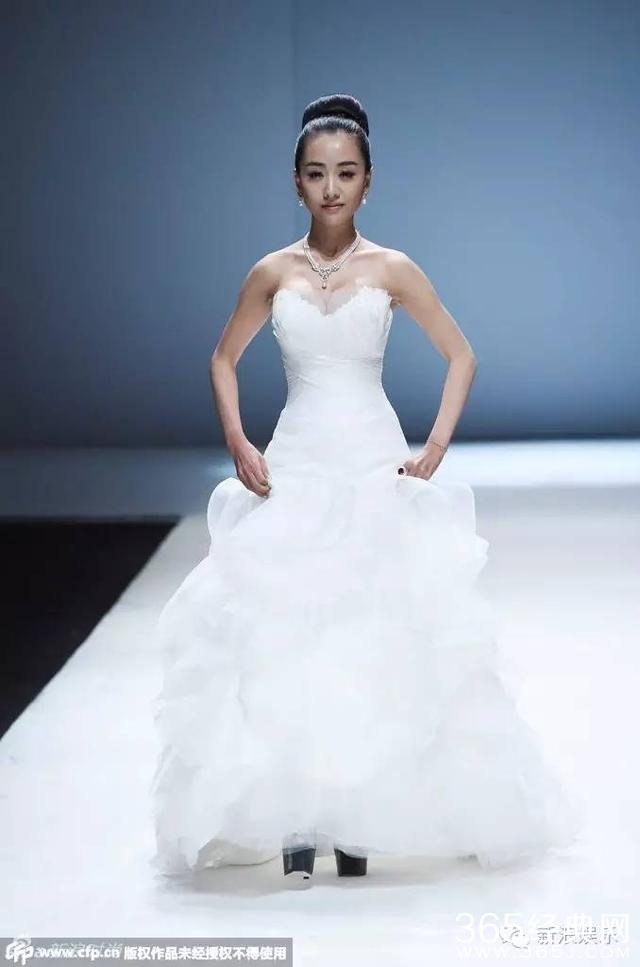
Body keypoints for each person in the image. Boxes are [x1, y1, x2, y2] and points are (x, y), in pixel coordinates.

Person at [149, 93, 581, 888]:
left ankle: (357, 821)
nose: (332, 187)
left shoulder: (393, 270)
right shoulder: (271, 272)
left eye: (346, 172)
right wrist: (237, 439)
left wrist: (435, 448)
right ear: (296, 181)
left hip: (373, 461)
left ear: (369, 181)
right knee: (289, 637)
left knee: (371, 638)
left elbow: (462, 353)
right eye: (317, 173)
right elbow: (221, 358)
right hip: (295, 463)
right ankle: (297, 820)